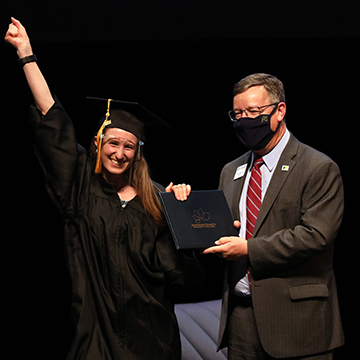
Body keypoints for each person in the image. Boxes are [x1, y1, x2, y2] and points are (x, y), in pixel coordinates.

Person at [5, 18, 202, 360]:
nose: (119, 153)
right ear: (98, 143)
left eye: (129, 147)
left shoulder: (156, 200)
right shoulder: (80, 186)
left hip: (151, 334)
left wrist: (184, 213)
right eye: (112, 143)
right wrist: (26, 55)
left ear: (137, 153)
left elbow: (180, 273)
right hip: (94, 328)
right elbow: (53, 118)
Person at [177, 73, 344, 359]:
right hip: (242, 321)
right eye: (238, 114)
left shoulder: (317, 167)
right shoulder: (231, 171)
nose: (244, 121)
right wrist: (183, 209)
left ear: (280, 111)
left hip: (297, 320)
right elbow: (218, 231)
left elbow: (316, 236)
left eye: (253, 112)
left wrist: (247, 249)